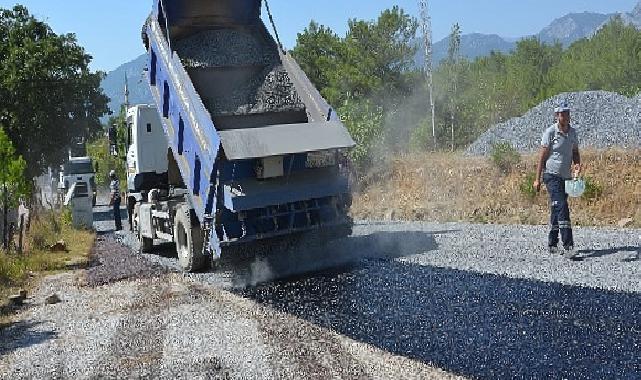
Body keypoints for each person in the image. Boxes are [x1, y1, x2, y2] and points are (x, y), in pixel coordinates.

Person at [533, 101, 582, 258]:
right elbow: (542, 157)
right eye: (561, 114)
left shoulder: (573, 133)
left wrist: (577, 164)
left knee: (556, 209)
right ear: (557, 116)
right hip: (551, 176)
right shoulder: (550, 133)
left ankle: (552, 244)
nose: (564, 116)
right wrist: (537, 179)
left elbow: (575, 152)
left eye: (566, 113)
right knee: (562, 207)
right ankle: (568, 247)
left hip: (566, 177)